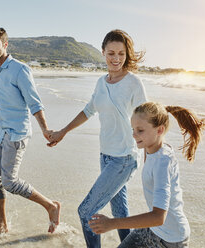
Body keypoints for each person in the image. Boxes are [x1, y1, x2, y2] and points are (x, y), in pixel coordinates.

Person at [48, 29, 147, 247]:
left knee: (86, 211)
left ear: (126, 55)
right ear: (103, 53)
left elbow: (146, 120)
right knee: (120, 211)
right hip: (106, 157)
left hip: (124, 158)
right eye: (111, 53)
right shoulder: (101, 83)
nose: (116, 58)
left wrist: (151, 156)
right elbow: (88, 110)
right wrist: (63, 131)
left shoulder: (133, 83)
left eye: (121, 54)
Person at [0, 25, 61, 236]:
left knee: (10, 182)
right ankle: (1, 225)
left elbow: (35, 103)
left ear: (5, 44)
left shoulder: (20, 70)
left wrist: (45, 129)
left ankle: (50, 206)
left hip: (16, 134)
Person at [88, 102, 205, 247]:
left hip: (170, 239)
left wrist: (112, 224)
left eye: (140, 130)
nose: (134, 135)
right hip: (153, 230)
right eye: (133, 129)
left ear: (160, 130)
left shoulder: (162, 162)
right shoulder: (150, 147)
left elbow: (159, 217)